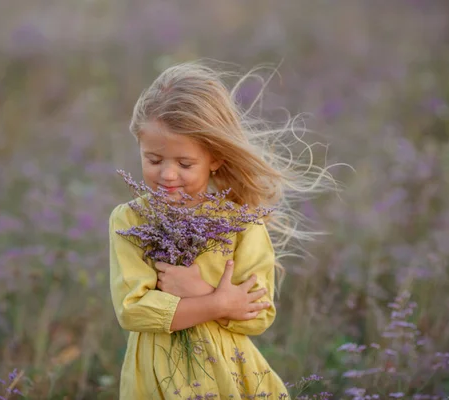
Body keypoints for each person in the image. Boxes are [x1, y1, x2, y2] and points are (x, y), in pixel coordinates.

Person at [109, 61, 335, 399]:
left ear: (215, 158)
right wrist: (219, 304)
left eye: (185, 164)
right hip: (155, 378)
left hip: (228, 375)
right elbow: (133, 309)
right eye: (154, 160)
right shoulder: (130, 221)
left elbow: (258, 316)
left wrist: (202, 293)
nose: (168, 175)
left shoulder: (242, 223)